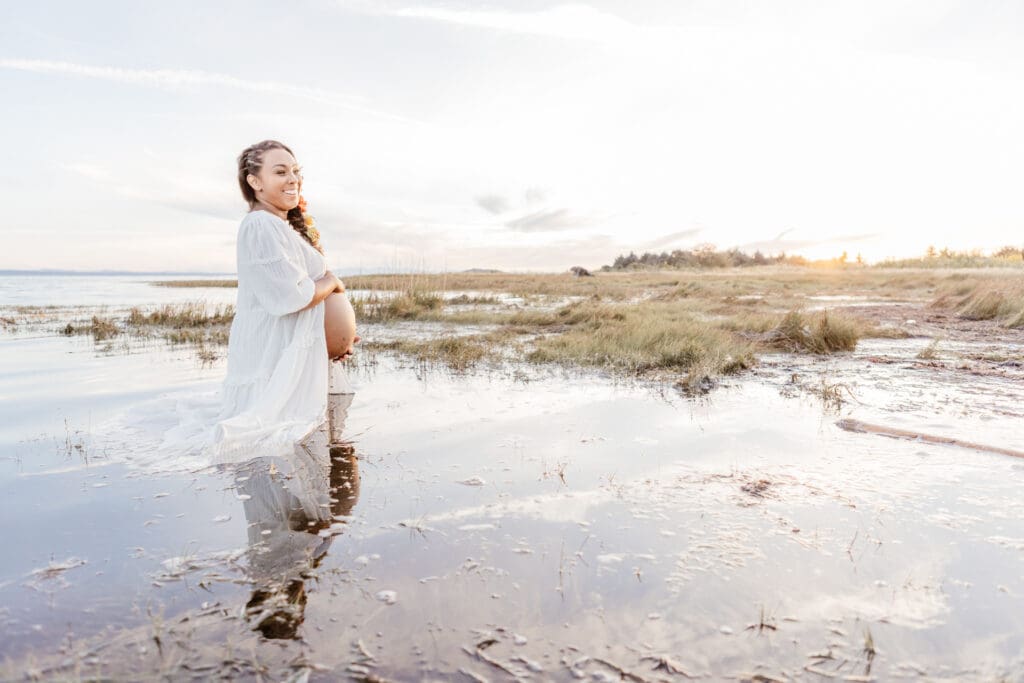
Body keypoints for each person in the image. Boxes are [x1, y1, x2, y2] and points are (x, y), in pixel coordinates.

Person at [212, 140, 358, 461]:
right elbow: (291, 296)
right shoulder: (260, 224)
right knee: (276, 457)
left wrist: (334, 339)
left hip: (299, 356)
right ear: (255, 182)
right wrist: (331, 281)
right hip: (271, 356)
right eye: (280, 171)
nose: (293, 179)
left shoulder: (279, 226)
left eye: (295, 171)